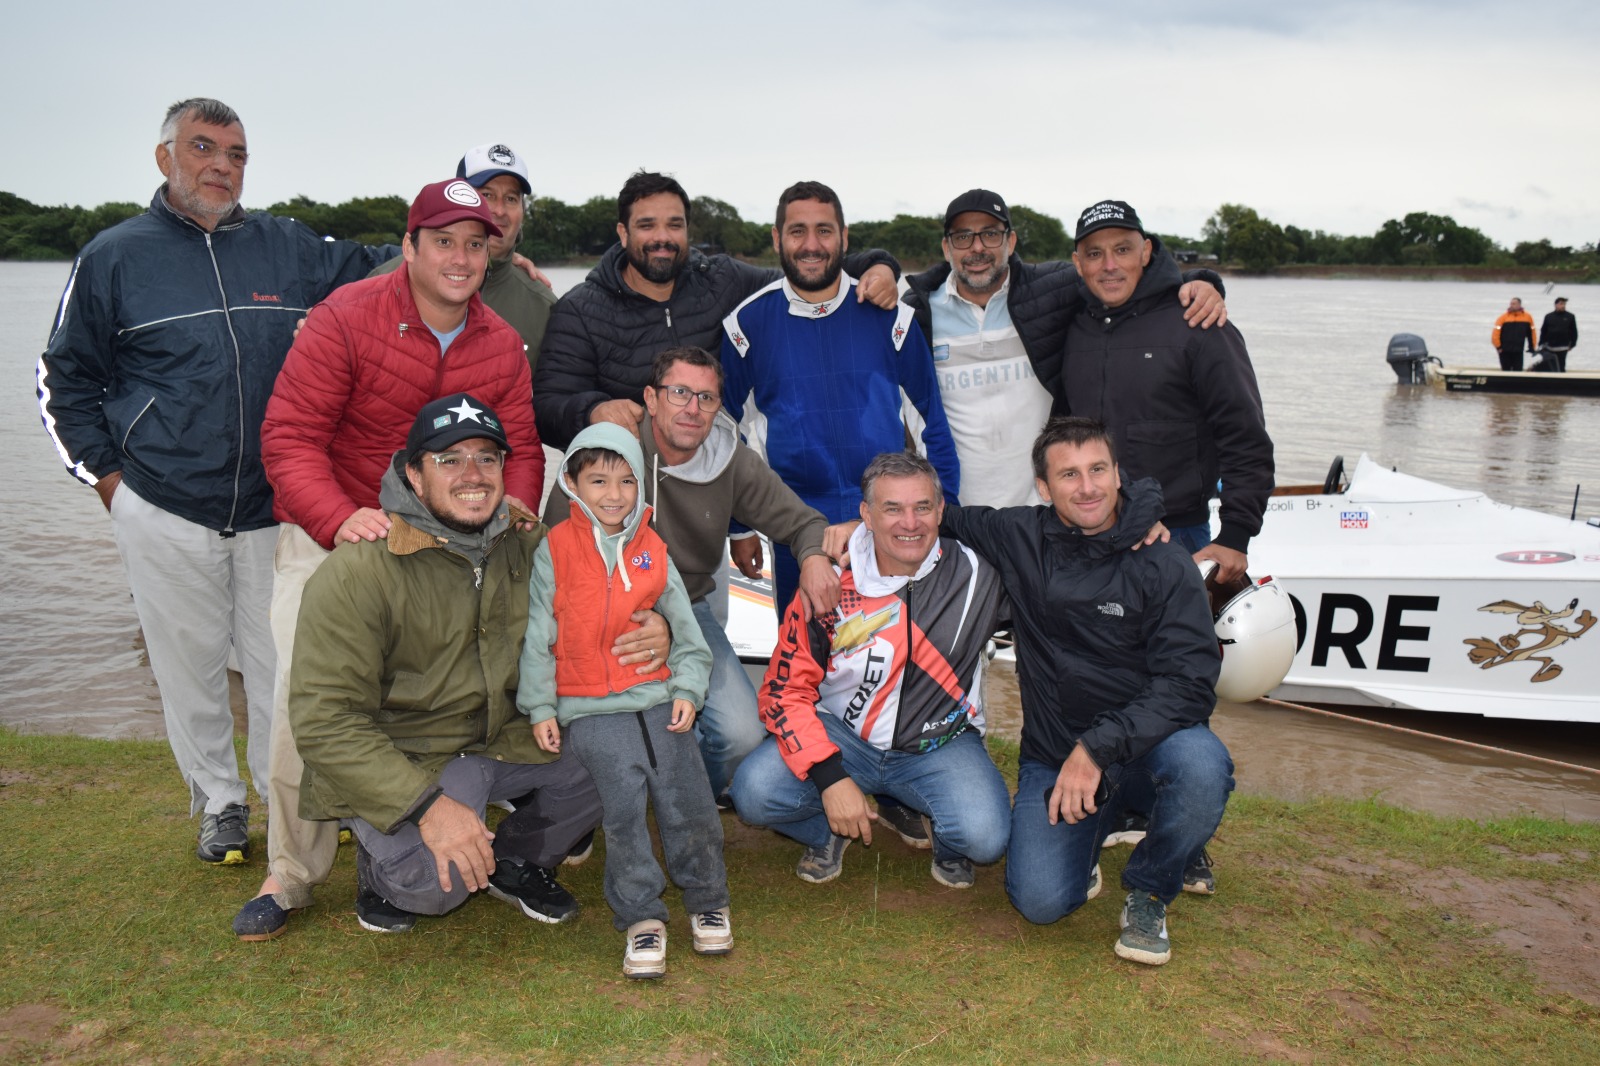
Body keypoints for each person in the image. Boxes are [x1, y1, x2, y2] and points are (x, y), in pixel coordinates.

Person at [232, 179, 617, 939]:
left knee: (489, 682)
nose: (461, 257)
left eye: (476, 243)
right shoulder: (345, 318)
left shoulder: (501, 340)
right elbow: (290, 438)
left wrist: (516, 517)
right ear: (408, 248)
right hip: (340, 532)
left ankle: (485, 824)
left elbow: (521, 451)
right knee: (295, 712)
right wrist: (343, 523)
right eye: (443, 241)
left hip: (458, 538)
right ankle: (293, 872)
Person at [36, 97, 393, 864]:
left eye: (236, 153)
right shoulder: (114, 255)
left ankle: (283, 802)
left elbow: (388, 267)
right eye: (204, 148)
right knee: (189, 672)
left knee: (283, 668)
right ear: (165, 157)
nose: (221, 166)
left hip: (276, 507)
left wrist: (478, 257)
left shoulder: (287, 247)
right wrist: (111, 487)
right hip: (162, 505)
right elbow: (63, 381)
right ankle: (220, 804)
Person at [288, 396, 602, 935]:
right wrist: (428, 807)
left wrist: (655, 627)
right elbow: (325, 721)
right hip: (407, 757)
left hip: (499, 741)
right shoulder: (358, 572)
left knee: (621, 741)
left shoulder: (529, 545)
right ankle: (380, 867)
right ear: (413, 474)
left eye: (486, 457)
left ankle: (516, 857)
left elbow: (602, 615)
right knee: (439, 886)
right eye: (448, 460)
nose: (472, 475)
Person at [940, 417, 1234, 966]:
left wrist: (1098, 747)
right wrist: (834, 533)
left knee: (1203, 766)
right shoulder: (1020, 534)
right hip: (1056, 751)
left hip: (1147, 745)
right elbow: (932, 515)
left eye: (1099, 469)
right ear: (1045, 490)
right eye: (1069, 475)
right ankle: (1103, 822)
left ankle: (1150, 889)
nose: (1088, 486)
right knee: (1040, 902)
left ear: (1119, 474)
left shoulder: (1164, 559)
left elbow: (1192, 683)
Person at [541, 345, 838, 804]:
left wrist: (815, 555)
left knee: (740, 735)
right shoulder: (605, 447)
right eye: (679, 393)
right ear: (651, 398)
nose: (693, 409)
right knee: (588, 718)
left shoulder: (729, 459)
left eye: (707, 398)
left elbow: (802, 522)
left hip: (686, 613)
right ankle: (582, 800)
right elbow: (557, 553)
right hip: (591, 609)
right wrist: (631, 613)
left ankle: (683, 798)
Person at [730, 451, 1010, 889]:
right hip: (843, 737)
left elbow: (1055, 556)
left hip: (940, 741)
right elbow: (784, 692)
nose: (909, 523)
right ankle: (830, 829)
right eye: (892, 508)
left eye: (922, 507)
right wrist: (829, 778)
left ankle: (945, 835)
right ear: (866, 514)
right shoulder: (827, 581)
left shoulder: (981, 570)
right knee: (754, 793)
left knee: (985, 838)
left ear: (941, 510)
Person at [520, 424, 730, 979]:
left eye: (627, 480)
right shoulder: (554, 550)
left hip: (660, 701)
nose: (614, 494)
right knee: (624, 816)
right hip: (590, 710)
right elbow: (539, 632)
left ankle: (708, 897)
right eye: (598, 480)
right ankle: (640, 916)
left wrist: (687, 687)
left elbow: (686, 630)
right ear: (571, 483)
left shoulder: (652, 549)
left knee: (688, 801)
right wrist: (541, 706)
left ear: (642, 486)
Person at [720, 180, 962, 614]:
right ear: (777, 238)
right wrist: (740, 527)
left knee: (897, 663)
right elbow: (726, 432)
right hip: (795, 529)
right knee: (804, 669)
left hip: (890, 523)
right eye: (797, 231)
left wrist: (949, 519)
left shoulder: (893, 318)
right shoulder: (745, 325)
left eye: (824, 231)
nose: (811, 245)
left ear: (845, 238)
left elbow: (933, 428)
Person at [533, 171, 902, 452]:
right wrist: (593, 411)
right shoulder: (579, 310)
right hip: (622, 493)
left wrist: (879, 266)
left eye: (674, 225)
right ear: (623, 233)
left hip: (711, 492)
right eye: (647, 225)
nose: (662, 237)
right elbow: (546, 408)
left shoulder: (723, 279)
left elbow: (805, 275)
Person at [903, 189, 1228, 507]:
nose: (977, 248)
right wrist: (881, 265)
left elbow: (1118, 276)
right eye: (963, 237)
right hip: (956, 508)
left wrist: (1199, 281)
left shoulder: (1053, 290)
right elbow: (857, 278)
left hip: (1047, 510)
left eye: (990, 234)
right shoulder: (916, 313)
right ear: (946, 247)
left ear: (1011, 241)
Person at [1061, 200, 1272, 587]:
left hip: (1178, 537)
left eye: (1122, 249)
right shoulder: (1071, 328)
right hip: (1087, 538)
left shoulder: (1199, 322)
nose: (1109, 265)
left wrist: (1235, 536)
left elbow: (1245, 435)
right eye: (1095, 254)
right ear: (1078, 264)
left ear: (1146, 252)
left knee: (1177, 648)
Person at [369, 143, 557, 379]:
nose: (499, 210)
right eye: (487, 194)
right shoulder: (381, 280)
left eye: (511, 198)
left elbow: (550, 401)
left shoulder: (544, 306)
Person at [1492, 297, 1538, 372]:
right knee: (1506, 370)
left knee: (1518, 370)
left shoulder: (1527, 317)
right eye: (1511, 304)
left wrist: (1532, 347)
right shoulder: (1503, 317)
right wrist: (1498, 346)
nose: (1511, 305)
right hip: (1504, 350)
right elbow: (1495, 333)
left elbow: (1531, 333)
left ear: (1519, 305)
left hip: (1518, 350)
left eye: (1514, 304)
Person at [1537, 297, 1577, 372]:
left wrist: (1572, 344)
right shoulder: (1548, 316)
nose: (1563, 306)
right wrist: (1541, 343)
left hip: (1563, 347)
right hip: (1549, 347)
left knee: (1561, 366)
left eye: (1564, 304)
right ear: (1556, 305)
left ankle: (1561, 381)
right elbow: (1543, 330)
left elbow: (1574, 331)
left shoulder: (1570, 316)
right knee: (1549, 365)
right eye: (1561, 304)